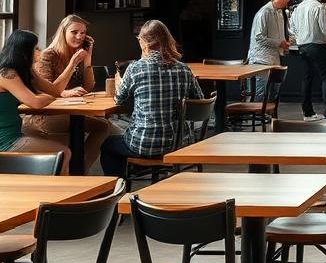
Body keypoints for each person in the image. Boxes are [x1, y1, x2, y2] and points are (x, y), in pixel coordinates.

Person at [100, 20, 203, 177]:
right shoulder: (184, 69)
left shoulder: (135, 68)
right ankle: (146, 173)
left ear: (143, 42)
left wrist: (119, 82)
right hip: (177, 144)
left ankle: (119, 193)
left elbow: (119, 99)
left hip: (142, 144)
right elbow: (200, 103)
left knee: (108, 145)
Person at [21, 14, 114, 171]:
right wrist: (64, 92)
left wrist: (87, 60)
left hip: (67, 110)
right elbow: (44, 88)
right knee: (104, 127)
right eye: (74, 32)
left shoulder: (77, 53)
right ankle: (78, 173)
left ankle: (78, 171)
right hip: (45, 114)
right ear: (63, 32)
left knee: (105, 126)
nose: (79, 37)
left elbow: (88, 86)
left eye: (83, 33)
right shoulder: (48, 55)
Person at [0, 30, 73, 172]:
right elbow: (36, 102)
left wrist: (73, 62)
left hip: (14, 134)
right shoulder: (6, 73)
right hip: (5, 141)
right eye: (35, 48)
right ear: (25, 51)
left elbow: (54, 90)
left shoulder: (23, 71)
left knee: (60, 150)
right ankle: (57, 193)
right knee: (64, 153)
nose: (38, 51)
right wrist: (50, 97)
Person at [291, 0, 326, 121]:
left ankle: (308, 113)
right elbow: (324, 28)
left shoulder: (299, 7)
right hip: (317, 45)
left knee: (307, 78)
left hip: (302, 46)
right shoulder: (318, 6)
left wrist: (300, 37)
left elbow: (291, 27)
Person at [248, 0, 291, 100]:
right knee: (261, 94)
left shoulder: (280, 13)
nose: (288, 1)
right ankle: (259, 116)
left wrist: (284, 46)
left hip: (274, 59)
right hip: (261, 60)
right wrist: (279, 43)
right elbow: (259, 37)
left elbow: (280, 35)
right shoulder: (264, 12)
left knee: (273, 94)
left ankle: (269, 117)